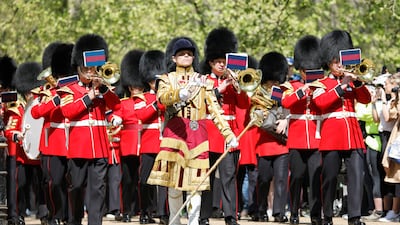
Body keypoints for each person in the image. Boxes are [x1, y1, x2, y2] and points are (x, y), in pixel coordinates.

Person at [147, 37, 238, 225]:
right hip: (175, 133)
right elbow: (162, 98)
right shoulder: (166, 79)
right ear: (174, 58)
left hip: (197, 136)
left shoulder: (203, 81)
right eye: (182, 54)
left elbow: (214, 109)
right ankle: (174, 220)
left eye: (189, 54)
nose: (186, 57)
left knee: (195, 185)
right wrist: (178, 94)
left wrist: (229, 135)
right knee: (174, 185)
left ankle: (194, 221)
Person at [57, 34, 121, 225]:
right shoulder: (68, 88)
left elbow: (116, 106)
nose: (90, 71)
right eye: (86, 68)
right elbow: (68, 111)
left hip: (100, 147)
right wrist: (89, 96)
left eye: (93, 68)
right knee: (76, 187)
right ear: (78, 67)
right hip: (78, 148)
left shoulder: (102, 88)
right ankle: (75, 220)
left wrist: (102, 90)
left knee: (97, 191)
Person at [312, 29, 371, 225]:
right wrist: (341, 86)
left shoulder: (353, 81)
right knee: (329, 178)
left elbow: (366, 99)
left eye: (341, 60)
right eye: (335, 61)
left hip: (352, 134)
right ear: (328, 62)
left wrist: (356, 82)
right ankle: (327, 215)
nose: (339, 65)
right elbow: (320, 104)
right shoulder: (321, 83)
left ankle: (354, 217)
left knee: (356, 177)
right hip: (332, 135)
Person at [199, 27, 250, 225]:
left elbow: (244, 107)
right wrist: (218, 91)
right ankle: (204, 216)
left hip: (229, 134)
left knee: (229, 177)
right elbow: (201, 105)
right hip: (210, 133)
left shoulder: (235, 81)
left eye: (223, 61)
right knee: (207, 179)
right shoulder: (204, 81)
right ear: (210, 62)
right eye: (218, 61)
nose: (221, 64)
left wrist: (239, 88)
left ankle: (230, 215)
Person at [280, 35, 322, 225]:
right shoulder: (292, 86)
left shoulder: (320, 86)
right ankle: (294, 211)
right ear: (300, 69)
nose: (307, 73)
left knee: (315, 178)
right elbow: (286, 102)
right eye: (305, 70)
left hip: (315, 136)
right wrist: (303, 90)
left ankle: (315, 214)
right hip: (297, 137)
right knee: (296, 177)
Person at [31, 42, 75, 225]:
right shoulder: (45, 92)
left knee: (73, 183)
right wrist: (54, 100)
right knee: (54, 182)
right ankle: (55, 214)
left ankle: (69, 216)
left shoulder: (75, 89)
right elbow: (35, 113)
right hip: (52, 143)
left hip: (73, 141)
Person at [5, 61, 46, 225]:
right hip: (22, 154)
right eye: (28, 92)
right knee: (20, 186)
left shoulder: (42, 106)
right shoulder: (16, 108)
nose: (30, 95)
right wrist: (16, 136)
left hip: (39, 153)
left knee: (42, 186)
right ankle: (18, 215)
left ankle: (45, 215)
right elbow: (10, 130)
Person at [251, 51, 289, 223]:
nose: (274, 82)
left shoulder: (286, 90)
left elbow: (291, 109)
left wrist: (285, 119)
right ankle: (260, 209)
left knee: (281, 179)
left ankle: (278, 212)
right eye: (272, 78)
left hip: (282, 143)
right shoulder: (258, 93)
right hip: (265, 142)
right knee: (264, 178)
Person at [108, 49, 144, 222]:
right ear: (129, 86)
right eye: (134, 86)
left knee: (144, 181)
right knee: (128, 181)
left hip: (145, 142)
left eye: (139, 86)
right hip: (128, 144)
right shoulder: (124, 103)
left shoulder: (149, 100)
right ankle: (127, 211)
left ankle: (145, 211)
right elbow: (117, 114)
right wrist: (115, 119)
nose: (136, 89)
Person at [137, 50, 168, 224]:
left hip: (165, 143)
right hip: (149, 144)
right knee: (145, 181)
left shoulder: (167, 97)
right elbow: (141, 114)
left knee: (163, 181)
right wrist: (157, 102)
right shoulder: (142, 97)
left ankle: (163, 213)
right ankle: (145, 211)